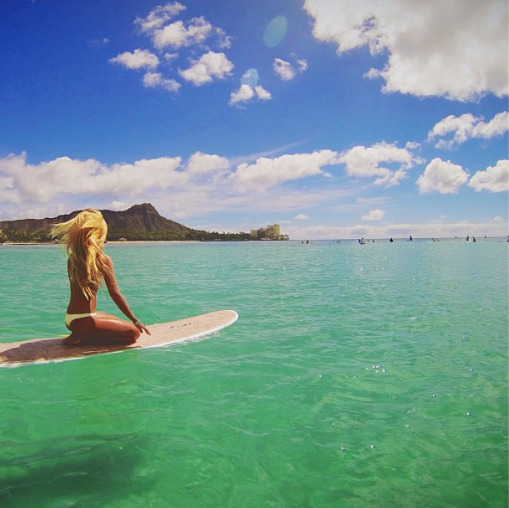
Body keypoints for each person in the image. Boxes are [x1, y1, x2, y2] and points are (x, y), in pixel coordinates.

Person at [51, 209, 151, 346]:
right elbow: (115, 294)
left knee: (115, 320)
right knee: (133, 333)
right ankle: (84, 337)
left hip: (70, 318)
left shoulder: (73, 259)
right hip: (84, 321)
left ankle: (80, 332)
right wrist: (136, 321)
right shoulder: (103, 260)